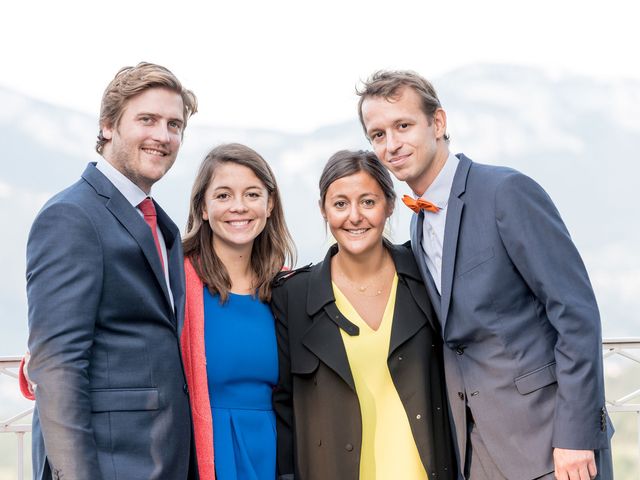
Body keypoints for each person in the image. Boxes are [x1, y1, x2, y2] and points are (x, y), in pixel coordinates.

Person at [357, 70, 613, 480]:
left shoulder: (506, 192)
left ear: (437, 123)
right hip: (475, 453)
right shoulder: (417, 223)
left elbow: (576, 313)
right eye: (378, 134)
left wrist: (576, 437)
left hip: (550, 445)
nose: (391, 144)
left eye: (403, 126)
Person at [25, 62, 198, 479]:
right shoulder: (71, 216)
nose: (163, 135)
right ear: (107, 126)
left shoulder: (160, 223)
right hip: (109, 465)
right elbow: (58, 365)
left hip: (160, 460)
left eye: (174, 125)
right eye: (147, 120)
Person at [272, 150, 457, 480]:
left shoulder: (425, 273)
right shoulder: (292, 297)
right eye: (340, 204)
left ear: (389, 205)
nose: (354, 216)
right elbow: (282, 408)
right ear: (323, 210)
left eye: (368, 202)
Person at [180, 143, 296, 479]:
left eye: (252, 194)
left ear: (269, 204)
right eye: (223, 196)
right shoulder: (176, 281)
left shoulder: (287, 288)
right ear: (203, 207)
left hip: (274, 456)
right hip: (204, 456)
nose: (239, 207)